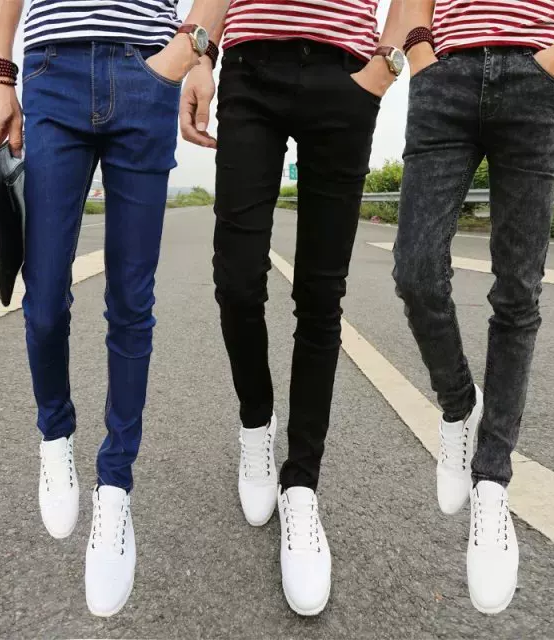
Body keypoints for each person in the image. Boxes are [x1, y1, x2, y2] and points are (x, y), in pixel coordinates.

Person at [0, 0, 230, 617]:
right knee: (42, 298)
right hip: (52, 69)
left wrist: (194, 49)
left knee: (131, 304)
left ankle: (115, 486)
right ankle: (54, 433)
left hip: (147, 68)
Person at [180, 0, 406, 616]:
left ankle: (301, 484)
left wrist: (384, 66)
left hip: (346, 73)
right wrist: (201, 55)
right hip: (250, 69)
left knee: (321, 296)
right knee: (236, 280)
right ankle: (257, 425)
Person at [394, 0, 554, 615]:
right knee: (415, 272)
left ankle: (492, 481)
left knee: (517, 292)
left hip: (537, 74)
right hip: (444, 77)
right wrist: (419, 52)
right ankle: (460, 405)